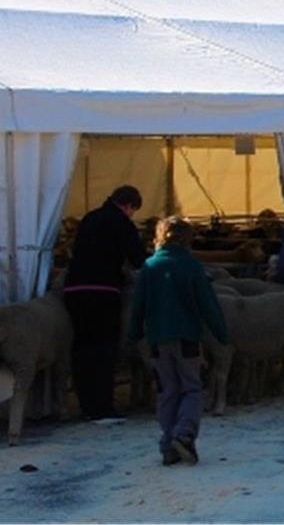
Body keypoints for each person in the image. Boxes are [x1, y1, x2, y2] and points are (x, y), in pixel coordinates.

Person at [128, 216, 229, 466]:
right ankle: (184, 434)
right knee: (192, 387)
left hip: (157, 340)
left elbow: (138, 304)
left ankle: (168, 444)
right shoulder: (191, 266)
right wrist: (221, 333)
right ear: (188, 239)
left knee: (167, 389)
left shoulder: (149, 267)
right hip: (186, 337)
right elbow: (208, 304)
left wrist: (134, 333)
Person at [64, 184, 147, 423]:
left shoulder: (90, 218)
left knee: (82, 347)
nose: (132, 215)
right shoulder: (121, 223)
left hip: (74, 288)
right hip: (102, 289)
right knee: (103, 348)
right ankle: (103, 407)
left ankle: (86, 405)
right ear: (128, 205)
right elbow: (137, 258)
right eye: (133, 210)